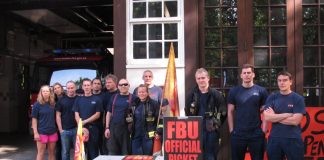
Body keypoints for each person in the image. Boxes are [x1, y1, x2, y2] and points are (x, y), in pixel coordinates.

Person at [227, 64, 268, 160]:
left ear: (253, 74)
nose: (246, 75)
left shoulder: (261, 91)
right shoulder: (234, 91)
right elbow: (230, 111)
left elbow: (266, 112)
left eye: (249, 73)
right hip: (238, 133)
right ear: (241, 75)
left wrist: (263, 131)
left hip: (256, 133)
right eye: (244, 73)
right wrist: (231, 130)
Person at [185, 68, 226, 160]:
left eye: (203, 78)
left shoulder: (216, 94)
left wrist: (217, 122)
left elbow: (223, 111)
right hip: (195, 132)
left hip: (211, 131)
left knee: (211, 157)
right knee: (196, 156)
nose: (201, 80)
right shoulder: (191, 95)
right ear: (196, 80)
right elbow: (187, 111)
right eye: (198, 78)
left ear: (208, 78)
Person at [263, 71, 306, 160]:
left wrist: (275, 116)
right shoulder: (272, 97)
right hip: (275, 138)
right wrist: (286, 115)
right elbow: (267, 117)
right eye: (279, 80)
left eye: (285, 80)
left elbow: (295, 121)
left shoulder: (298, 99)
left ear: (290, 82)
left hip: (293, 138)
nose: (282, 83)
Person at [73, 78, 103, 160]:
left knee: (93, 153)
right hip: (81, 130)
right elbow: (76, 114)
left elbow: (98, 114)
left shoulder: (97, 99)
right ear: (82, 87)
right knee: (81, 153)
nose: (86, 87)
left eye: (88, 85)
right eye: (85, 85)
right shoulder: (78, 99)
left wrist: (85, 121)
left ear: (92, 87)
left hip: (93, 129)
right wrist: (81, 127)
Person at [105, 78, 137, 155]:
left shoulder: (134, 98)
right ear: (118, 86)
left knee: (125, 153)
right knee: (112, 153)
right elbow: (108, 113)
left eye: (125, 84)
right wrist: (107, 128)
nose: (123, 86)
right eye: (121, 85)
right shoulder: (114, 97)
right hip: (113, 129)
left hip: (126, 130)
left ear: (129, 86)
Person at [130, 84, 160, 155]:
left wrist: (159, 132)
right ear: (137, 93)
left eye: (143, 92)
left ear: (147, 93)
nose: (141, 94)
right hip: (136, 136)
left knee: (147, 157)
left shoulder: (154, 104)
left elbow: (160, 119)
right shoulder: (134, 104)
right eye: (140, 92)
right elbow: (129, 117)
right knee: (136, 156)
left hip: (148, 137)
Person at [32, 85, 57, 160]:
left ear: (50, 93)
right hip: (41, 132)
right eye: (43, 91)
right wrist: (35, 133)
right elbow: (34, 119)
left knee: (52, 153)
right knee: (41, 153)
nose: (45, 93)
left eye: (47, 91)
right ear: (41, 93)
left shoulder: (53, 104)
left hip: (52, 131)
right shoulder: (37, 105)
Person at [55, 81, 78, 160]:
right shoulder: (61, 100)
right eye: (68, 88)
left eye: (72, 88)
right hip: (64, 130)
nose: (70, 90)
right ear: (66, 89)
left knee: (78, 151)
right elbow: (58, 116)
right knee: (65, 152)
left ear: (75, 88)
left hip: (77, 130)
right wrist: (61, 130)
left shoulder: (79, 99)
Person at [101, 74, 119, 154]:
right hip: (107, 125)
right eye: (106, 82)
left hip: (118, 125)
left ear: (115, 83)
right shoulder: (104, 95)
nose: (107, 84)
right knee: (107, 147)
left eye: (109, 82)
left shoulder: (120, 93)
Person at [91, 78, 106, 155]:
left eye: (98, 84)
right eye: (95, 83)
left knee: (103, 148)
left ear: (101, 86)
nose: (96, 85)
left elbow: (107, 112)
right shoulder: (88, 96)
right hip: (91, 126)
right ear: (92, 85)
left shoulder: (104, 96)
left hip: (102, 126)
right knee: (92, 150)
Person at [53, 82, 64, 160]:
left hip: (67, 125)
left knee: (66, 147)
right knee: (58, 146)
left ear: (62, 89)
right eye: (55, 88)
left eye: (58, 88)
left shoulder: (67, 97)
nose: (57, 90)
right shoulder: (52, 101)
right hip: (56, 127)